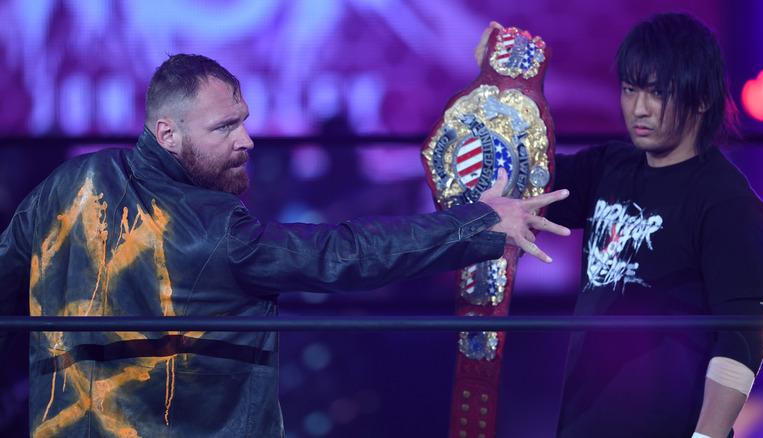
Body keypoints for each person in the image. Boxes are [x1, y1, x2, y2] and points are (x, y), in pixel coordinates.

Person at [0, 54, 570, 437]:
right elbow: (343, 254)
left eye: (243, 121)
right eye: (225, 127)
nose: (247, 140)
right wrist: (476, 224)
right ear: (166, 134)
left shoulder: (65, 185)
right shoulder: (215, 225)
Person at [478, 12, 763, 438]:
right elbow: (513, 178)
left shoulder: (728, 205)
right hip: (582, 424)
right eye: (630, 89)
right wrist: (494, 83)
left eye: (658, 92)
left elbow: (743, 337)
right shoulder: (607, 167)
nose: (639, 108)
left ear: (702, 97)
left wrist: (707, 436)